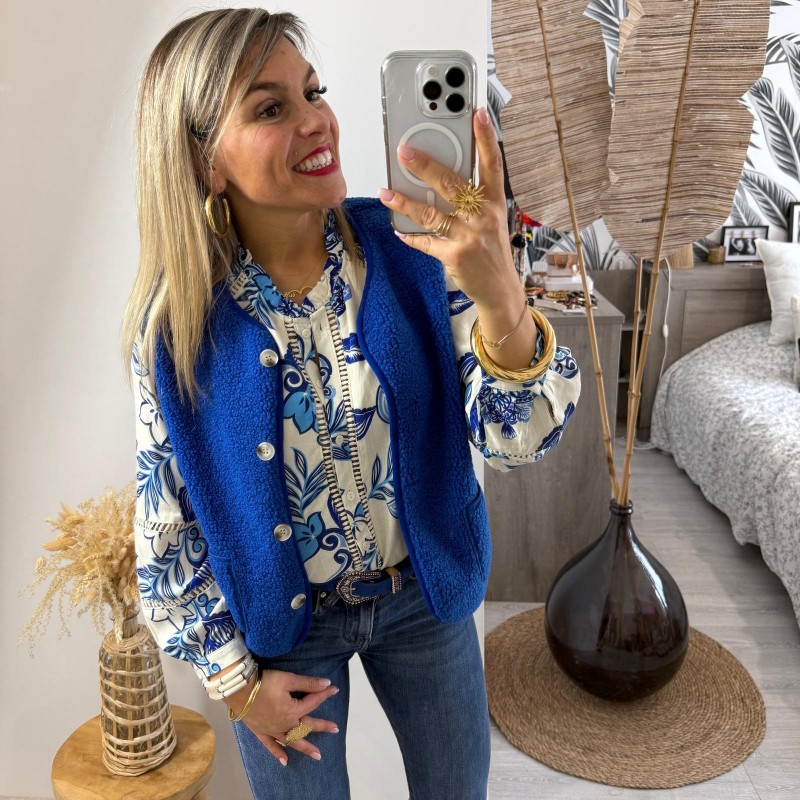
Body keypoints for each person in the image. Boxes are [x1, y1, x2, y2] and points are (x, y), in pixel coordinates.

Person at [122, 8, 581, 800]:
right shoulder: (177, 333)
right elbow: (167, 534)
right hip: (283, 636)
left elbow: (517, 443)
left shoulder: (415, 251)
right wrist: (236, 686)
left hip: (427, 596)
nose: (316, 120)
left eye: (314, 91)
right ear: (205, 162)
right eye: (271, 108)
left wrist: (502, 294)